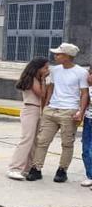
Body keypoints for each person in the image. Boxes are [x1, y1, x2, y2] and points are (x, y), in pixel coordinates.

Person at [26, 43, 90, 183]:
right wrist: (46, 106)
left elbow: (84, 94)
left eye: (58, 54)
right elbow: (51, 88)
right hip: (52, 109)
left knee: (67, 143)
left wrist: (80, 111)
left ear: (67, 56)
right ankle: (36, 169)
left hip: (69, 111)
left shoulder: (81, 72)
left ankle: (62, 170)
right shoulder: (55, 70)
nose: (55, 56)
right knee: (42, 141)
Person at [7, 57, 49, 180]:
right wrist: (43, 79)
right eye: (45, 67)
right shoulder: (32, 79)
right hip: (30, 109)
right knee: (27, 139)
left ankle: (27, 167)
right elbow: (41, 94)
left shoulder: (36, 79)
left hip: (37, 110)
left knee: (35, 141)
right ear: (38, 68)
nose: (47, 70)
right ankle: (15, 167)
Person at [82, 67, 92, 189]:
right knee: (87, 149)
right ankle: (90, 176)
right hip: (88, 120)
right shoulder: (87, 89)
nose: (88, 77)